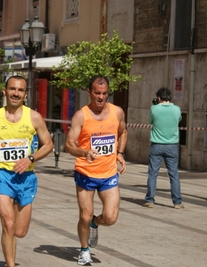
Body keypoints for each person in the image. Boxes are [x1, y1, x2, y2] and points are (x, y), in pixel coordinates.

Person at [0, 75, 53, 267]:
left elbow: (48, 145)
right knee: (8, 224)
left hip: (25, 178)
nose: (16, 93)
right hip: (2, 176)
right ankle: (10, 264)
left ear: (25, 94)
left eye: (20, 90)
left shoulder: (34, 117)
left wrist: (30, 158)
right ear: (5, 91)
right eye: (12, 89)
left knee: (20, 231)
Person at [65, 75, 127, 266]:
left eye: (104, 93)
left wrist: (119, 152)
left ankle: (95, 223)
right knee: (84, 214)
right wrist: (84, 152)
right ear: (89, 93)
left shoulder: (117, 112)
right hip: (85, 173)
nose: (101, 97)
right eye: (97, 93)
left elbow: (123, 132)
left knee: (110, 217)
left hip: (108, 174)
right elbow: (68, 144)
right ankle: (84, 250)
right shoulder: (81, 116)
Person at [143, 87, 183, 209]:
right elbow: (179, 120)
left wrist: (156, 106)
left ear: (159, 98)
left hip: (156, 145)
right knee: (174, 174)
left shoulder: (154, 109)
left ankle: (150, 200)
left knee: (153, 173)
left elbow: (151, 121)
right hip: (172, 145)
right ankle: (177, 202)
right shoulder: (177, 109)